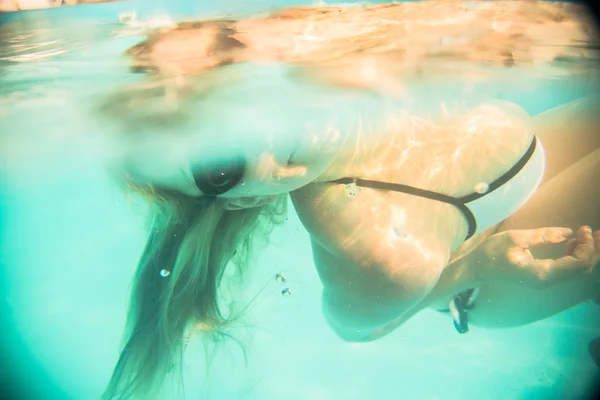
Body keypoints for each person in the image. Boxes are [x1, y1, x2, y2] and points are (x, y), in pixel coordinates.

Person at [99, 2, 600, 399]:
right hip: (502, 272)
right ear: (240, 201)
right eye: (220, 166)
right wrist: (475, 268)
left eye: (216, 94)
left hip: (520, 170)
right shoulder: (376, 241)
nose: (255, 133)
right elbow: (356, 329)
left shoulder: (331, 67)